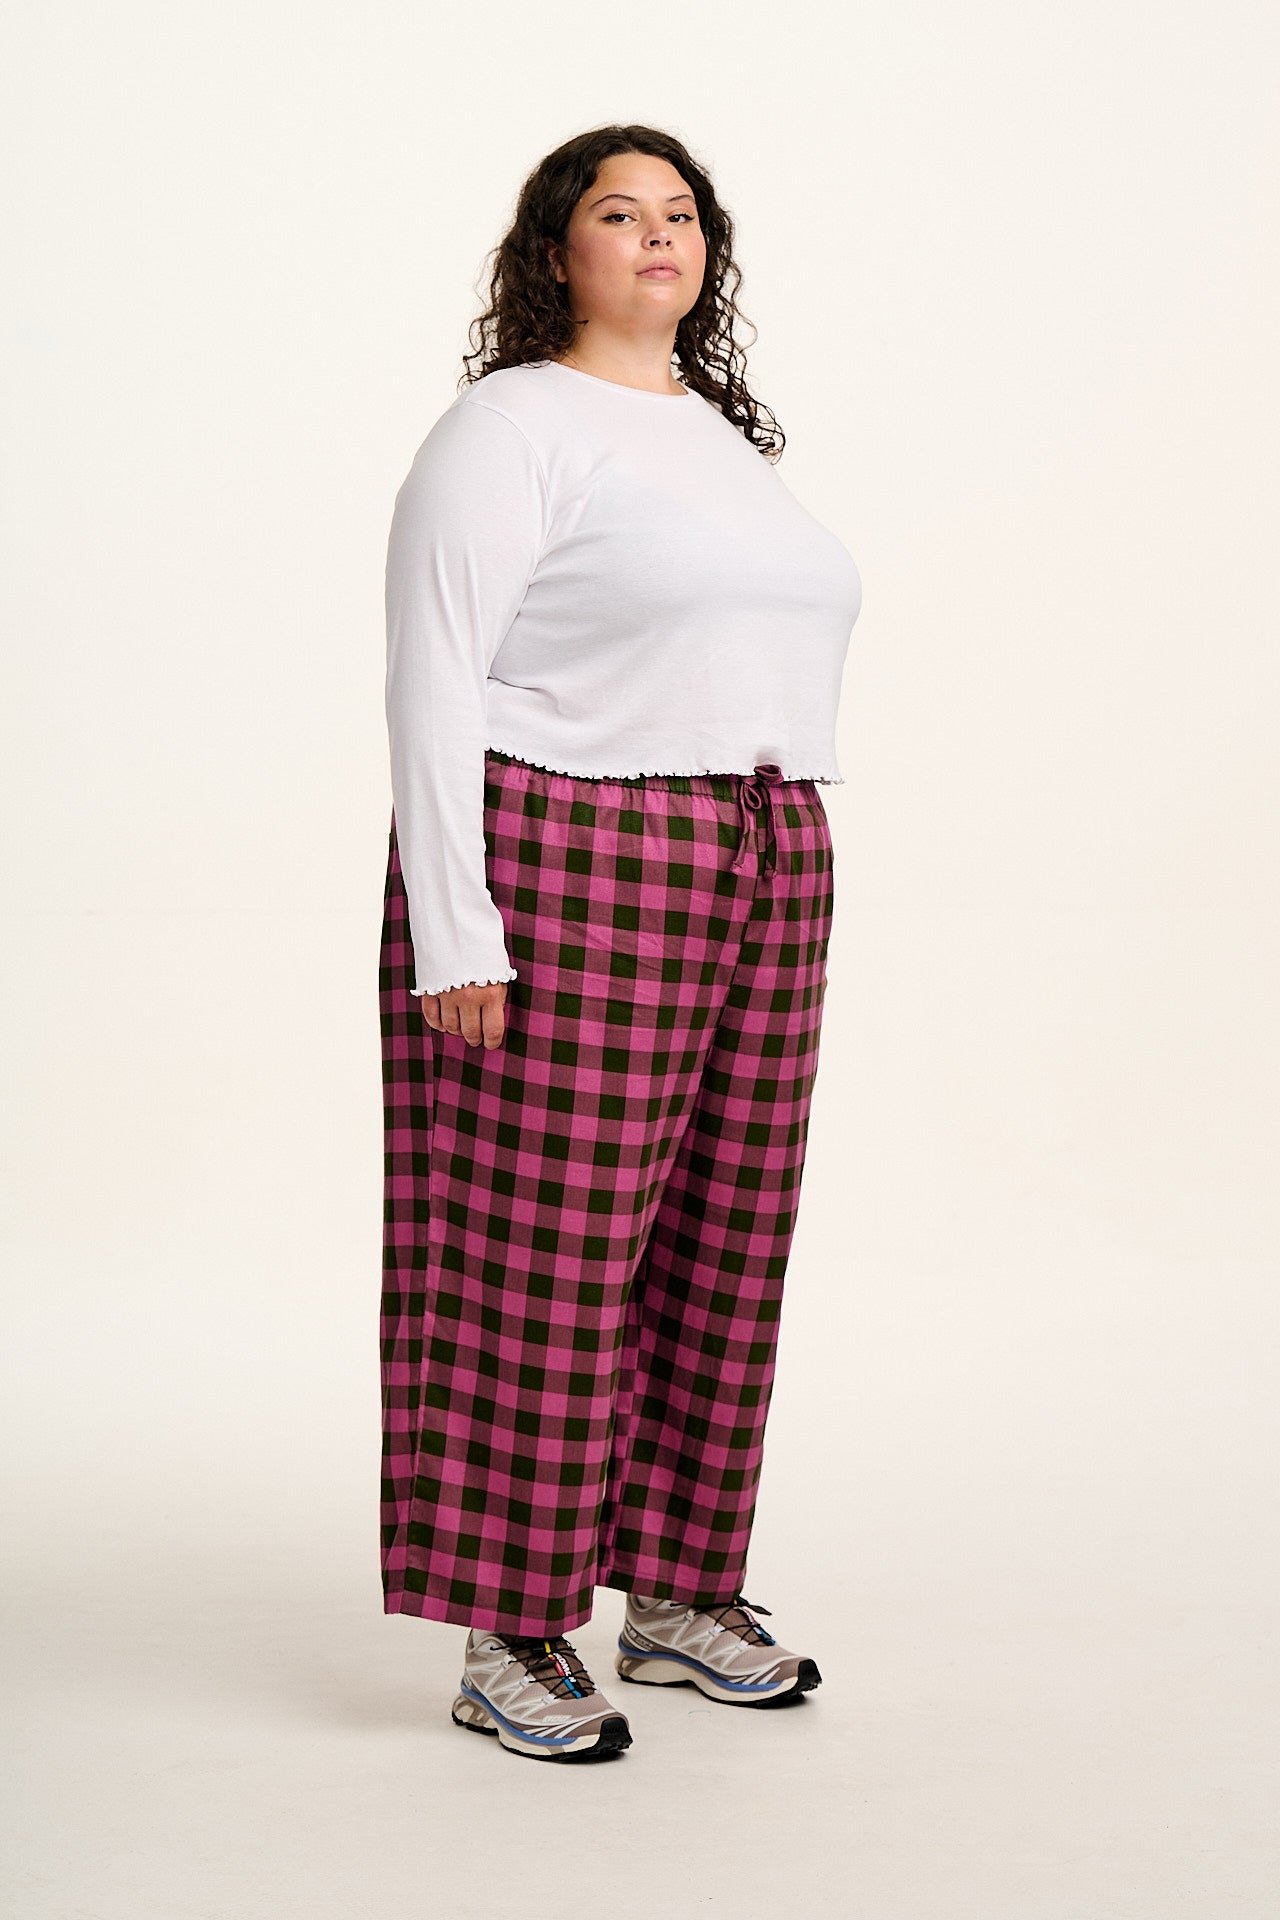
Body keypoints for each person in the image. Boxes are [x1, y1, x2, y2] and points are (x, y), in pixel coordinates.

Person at [379, 123, 862, 1764]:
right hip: (575, 841)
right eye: (617, 211)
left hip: (767, 841)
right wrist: (456, 926)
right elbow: (434, 671)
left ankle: (676, 1588)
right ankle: (508, 1627)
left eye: (682, 214)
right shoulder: (509, 425)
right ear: (556, 250)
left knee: (728, 1235)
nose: (658, 234)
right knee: (550, 1248)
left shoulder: (718, 434)